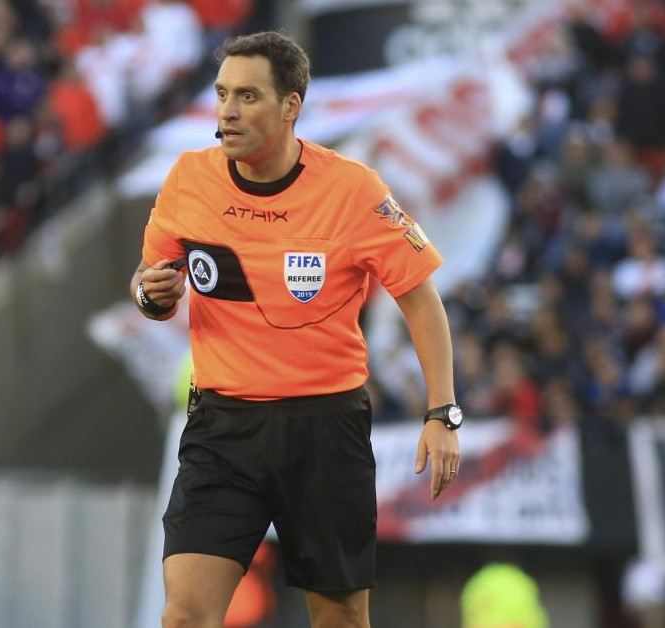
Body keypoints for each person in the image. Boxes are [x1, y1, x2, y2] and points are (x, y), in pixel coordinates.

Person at [129, 31, 462, 628]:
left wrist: (442, 414)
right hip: (222, 430)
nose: (227, 111)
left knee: (338, 619)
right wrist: (151, 295)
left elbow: (420, 300)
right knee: (184, 615)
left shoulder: (354, 191)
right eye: (222, 94)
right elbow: (150, 281)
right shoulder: (188, 180)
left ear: (291, 106)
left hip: (324, 430)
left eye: (248, 96)